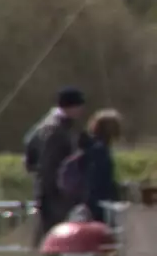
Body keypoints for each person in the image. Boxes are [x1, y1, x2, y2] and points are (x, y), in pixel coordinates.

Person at [25, 86, 89, 244]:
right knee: (55, 238)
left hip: (48, 190)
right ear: (72, 106)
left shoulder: (47, 125)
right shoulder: (56, 130)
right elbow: (50, 165)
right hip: (55, 194)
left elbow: (29, 149)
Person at [82, 109, 124, 225]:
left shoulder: (93, 146)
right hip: (100, 204)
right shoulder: (100, 150)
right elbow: (101, 179)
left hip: (92, 201)